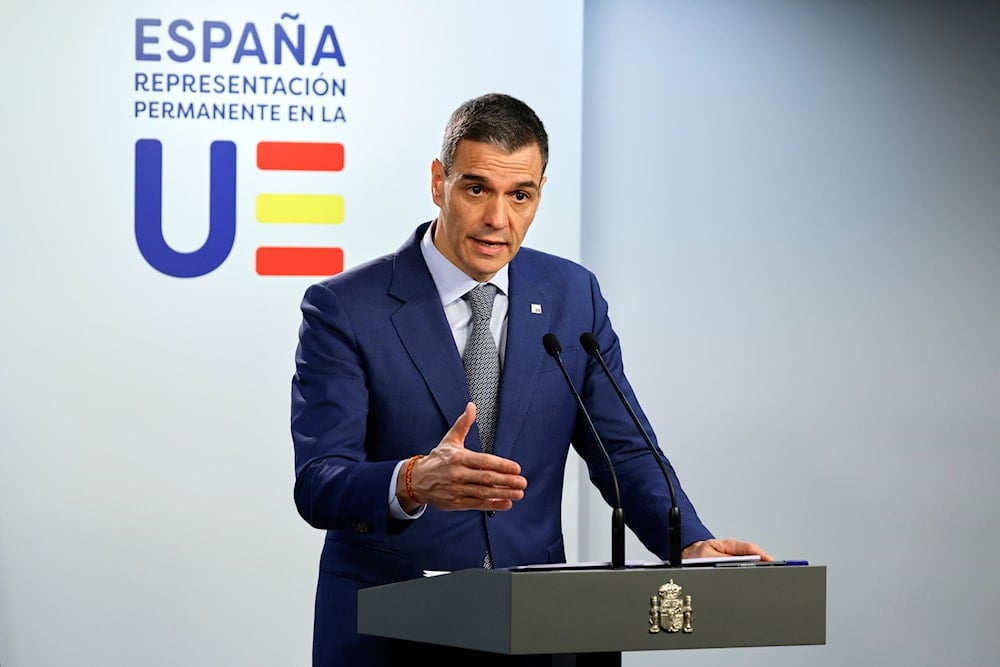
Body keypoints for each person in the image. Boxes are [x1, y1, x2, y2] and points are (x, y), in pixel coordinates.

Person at [290, 92, 771, 666]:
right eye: (477, 190)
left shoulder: (573, 297)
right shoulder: (345, 307)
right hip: (391, 632)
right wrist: (413, 481)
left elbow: (624, 450)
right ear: (439, 181)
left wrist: (689, 543)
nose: (499, 219)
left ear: (540, 191)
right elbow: (319, 482)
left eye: (521, 195)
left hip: (538, 630)